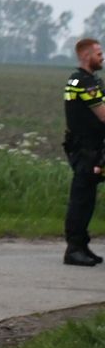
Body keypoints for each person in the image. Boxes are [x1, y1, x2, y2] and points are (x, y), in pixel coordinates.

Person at [62, 37, 105, 267]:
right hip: (85, 148)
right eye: (98, 53)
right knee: (81, 199)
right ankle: (74, 249)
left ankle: (82, 245)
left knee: (87, 198)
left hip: (90, 147)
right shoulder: (83, 82)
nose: (102, 57)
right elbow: (103, 115)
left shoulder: (89, 80)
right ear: (86, 56)